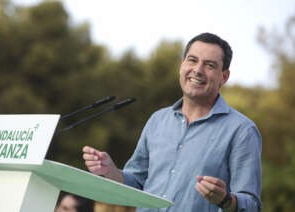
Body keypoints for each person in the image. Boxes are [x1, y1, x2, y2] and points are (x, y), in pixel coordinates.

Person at [83, 32, 262, 211]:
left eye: (209, 65)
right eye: (192, 60)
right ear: (181, 65)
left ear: (224, 77)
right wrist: (110, 171)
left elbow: (252, 205)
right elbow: (136, 182)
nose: (198, 70)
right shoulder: (157, 120)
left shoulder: (242, 131)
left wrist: (226, 200)